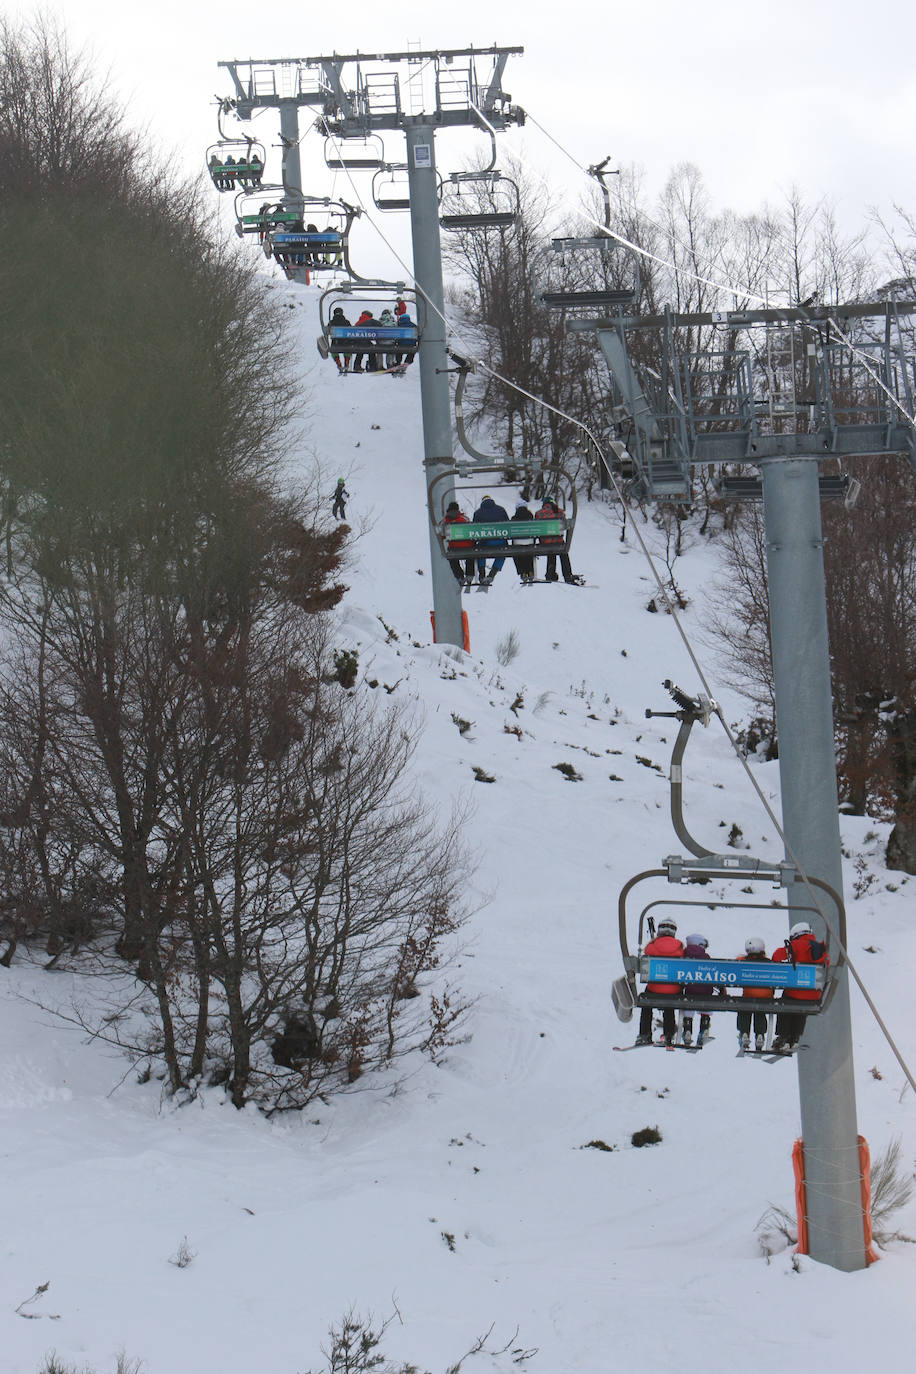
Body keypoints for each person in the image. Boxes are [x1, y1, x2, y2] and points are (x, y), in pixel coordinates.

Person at [770, 920, 829, 1053]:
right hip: (814, 994)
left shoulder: (796, 945)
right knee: (800, 1009)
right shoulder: (820, 948)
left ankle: (783, 1036)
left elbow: (777, 956)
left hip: (795, 992)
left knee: (786, 1003)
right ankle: (794, 1037)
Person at [636, 918, 684, 1046]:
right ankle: (669, 1035)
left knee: (647, 1003)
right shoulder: (679, 947)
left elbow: (646, 953)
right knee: (669, 1005)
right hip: (673, 990)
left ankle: (644, 1034)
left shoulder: (652, 947)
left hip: (654, 988)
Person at [736, 935, 772, 1052]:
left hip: (748, 996)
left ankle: (744, 1033)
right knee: (760, 1012)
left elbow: (735, 963)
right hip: (766, 997)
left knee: (744, 1008)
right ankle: (760, 1034)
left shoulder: (743, 961)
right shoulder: (770, 963)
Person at [680, 933, 714, 1046]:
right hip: (705, 993)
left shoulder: (684, 956)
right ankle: (704, 1030)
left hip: (689, 992)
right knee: (707, 999)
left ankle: (687, 1030)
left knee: (688, 1000)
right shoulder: (706, 957)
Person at [536, 496, 577, 584]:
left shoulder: (539, 513)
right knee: (563, 551)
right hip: (558, 541)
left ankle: (550, 573)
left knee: (551, 550)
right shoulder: (559, 511)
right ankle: (567, 575)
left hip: (545, 542)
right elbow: (565, 524)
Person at [472, 493, 510, 585]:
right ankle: (492, 574)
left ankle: (482, 574)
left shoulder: (478, 513)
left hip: (485, 542)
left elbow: (474, 529)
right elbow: (508, 525)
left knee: (480, 551)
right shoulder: (501, 510)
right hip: (500, 541)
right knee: (502, 552)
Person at [442, 501, 475, 586]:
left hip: (454, 547)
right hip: (468, 546)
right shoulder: (464, 519)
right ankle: (470, 575)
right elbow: (471, 530)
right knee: (470, 556)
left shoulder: (445, 521)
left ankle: (459, 576)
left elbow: (443, 535)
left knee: (453, 560)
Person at [510, 498, 536, 583]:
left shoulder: (514, 518)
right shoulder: (531, 516)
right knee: (529, 554)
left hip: (518, 542)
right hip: (530, 541)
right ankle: (530, 571)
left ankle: (522, 572)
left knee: (517, 554)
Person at [329, 307, 351, 374]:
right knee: (347, 349)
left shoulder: (331, 322)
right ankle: (346, 361)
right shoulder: (346, 322)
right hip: (345, 343)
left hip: (335, 343)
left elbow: (328, 331)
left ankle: (338, 361)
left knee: (334, 350)